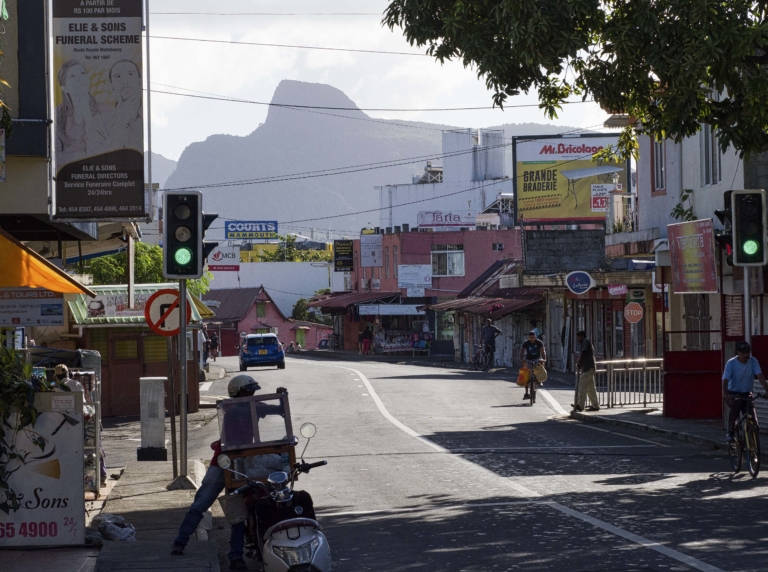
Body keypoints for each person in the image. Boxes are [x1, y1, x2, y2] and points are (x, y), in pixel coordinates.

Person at [171, 374, 262, 570]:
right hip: (223, 463)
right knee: (201, 503)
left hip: (243, 462)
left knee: (239, 512)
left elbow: (271, 408)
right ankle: (180, 540)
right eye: (249, 392)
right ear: (238, 393)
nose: (252, 395)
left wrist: (279, 400)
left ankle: (236, 556)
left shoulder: (251, 405)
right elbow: (243, 409)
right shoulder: (232, 408)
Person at [89, 59, 143, 154]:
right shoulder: (99, 123)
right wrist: (121, 122)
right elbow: (98, 158)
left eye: (130, 74)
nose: (125, 81)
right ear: (111, 85)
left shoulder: (150, 119)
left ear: (139, 80)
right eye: (118, 76)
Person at [55, 59, 100, 164]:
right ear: (64, 87)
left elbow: (100, 151)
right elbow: (56, 156)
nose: (80, 79)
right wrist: (83, 155)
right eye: (72, 76)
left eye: (82, 73)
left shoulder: (103, 110)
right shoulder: (57, 114)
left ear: (88, 81)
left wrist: (87, 112)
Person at [722, 341, 768, 442]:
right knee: (737, 404)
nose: (746, 355)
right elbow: (725, 380)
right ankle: (730, 430)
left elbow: (760, 376)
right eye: (743, 353)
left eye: (748, 352)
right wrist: (726, 394)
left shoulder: (753, 361)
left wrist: (767, 390)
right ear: (738, 353)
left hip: (747, 394)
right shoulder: (731, 363)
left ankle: (751, 444)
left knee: (754, 421)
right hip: (733, 393)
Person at [574, 331, 599, 412]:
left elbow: (583, 352)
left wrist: (579, 361)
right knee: (590, 388)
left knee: (582, 386)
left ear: (582, 336)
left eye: (578, 337)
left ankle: (580, 405)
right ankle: (595, 405)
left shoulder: (586, 341)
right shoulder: (585, 342)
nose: (577, 339)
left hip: (588, 368)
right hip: (589, 368)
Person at [520, 331, 546, 400]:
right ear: (528, 337)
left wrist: (544, 359)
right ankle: (526, 393)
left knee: (541, 367)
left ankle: (539, 380)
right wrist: (522, 359)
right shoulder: (526, 343)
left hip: (537, 359)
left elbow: (543, 352)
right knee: (526, 377)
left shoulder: (539, 342)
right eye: (530, 337)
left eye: (533, 337)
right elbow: (522, 352)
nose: (532, 339)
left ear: (535, 337)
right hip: (528, 359)